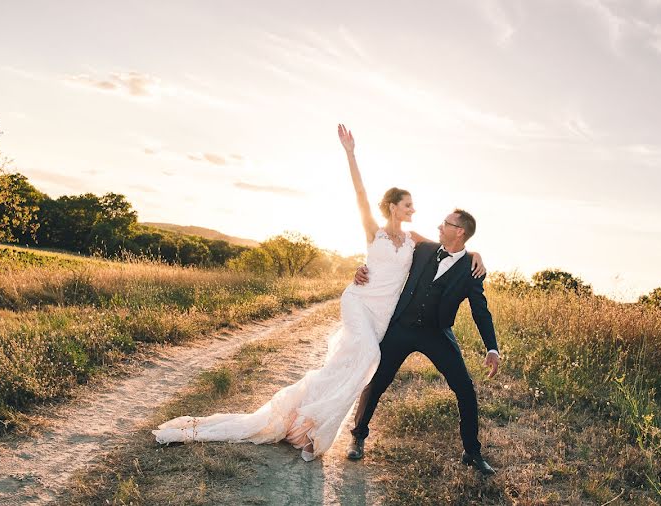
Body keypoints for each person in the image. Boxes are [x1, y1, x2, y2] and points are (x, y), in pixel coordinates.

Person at [151, 124, 486, 461]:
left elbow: (452, 253)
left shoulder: (416, 241)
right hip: (359, 302)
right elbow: (359, 195)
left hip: (384, 314)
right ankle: (332, 427)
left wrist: (475, 254)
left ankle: (307, 422)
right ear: (394, 207)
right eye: (408, 205)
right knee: (369, 354)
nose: (414, 210)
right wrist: (350, 153)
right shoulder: (375, 231)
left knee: (349, 369)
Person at [345, 209, 501, 475]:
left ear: (460, 231)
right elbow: (390, 244)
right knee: (378, 380)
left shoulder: (471, 269)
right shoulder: (425, 248)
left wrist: (492, 347)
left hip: (437, 333)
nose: (440, 226)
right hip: (402, 326)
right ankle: (358, 436)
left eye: (446, 224)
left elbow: (480, 310)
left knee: (465, 388)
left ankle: (472, 452)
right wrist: (362, 270)